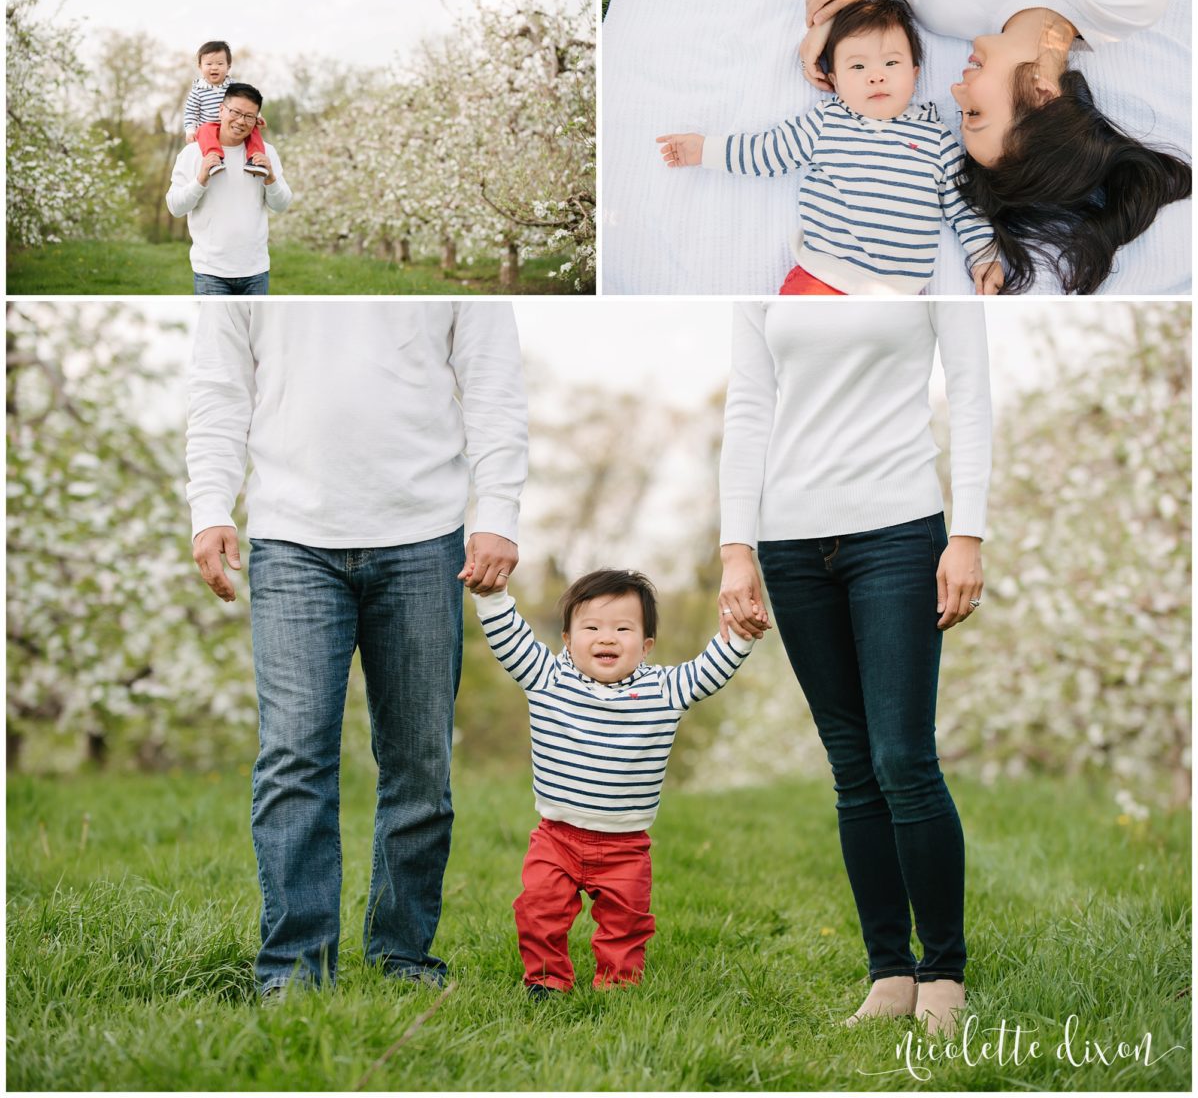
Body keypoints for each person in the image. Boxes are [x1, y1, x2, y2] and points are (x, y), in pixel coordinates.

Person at [187, 301, 529, 996]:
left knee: (419, 762)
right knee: (293, 758)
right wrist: (211, 505)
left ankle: (402, 959)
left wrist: (497, 511)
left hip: (424, 536)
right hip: (291, 537)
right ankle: (295, 972)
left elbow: (494, 384)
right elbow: (220, 385)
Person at [718, 301, 992, 1036]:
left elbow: (970, 391)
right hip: (789, 541)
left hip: (900, 530)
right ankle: (889, 974)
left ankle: (943, 972)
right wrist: (735, 547)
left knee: (902, 756)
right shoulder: (770, 270)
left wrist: (967, 532)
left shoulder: (932, 252)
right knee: (852, 764)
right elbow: (749, 404)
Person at [799, 0, 1191, 294]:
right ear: (1042, 93)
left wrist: (827, 20)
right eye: (976, 111)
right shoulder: (1127, 2)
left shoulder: (944, 8)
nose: (955, 89)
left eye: (961, 112)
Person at [473, 567, 753, 993]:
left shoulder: (664, 690)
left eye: (623, 628)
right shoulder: (548, 678)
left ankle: (618, 984)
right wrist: (493, 598)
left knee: (626, 922)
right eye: (591, 627)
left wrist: (739, 635)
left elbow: (708, 671)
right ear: (567, 640)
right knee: (538, 910)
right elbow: (510, 640)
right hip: (557, 838)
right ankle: (546, 981)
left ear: (645, 646)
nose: (606, 638)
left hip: (625, 845)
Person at [657, 0, 1002, 295]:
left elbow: (963, 206)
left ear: (914, 74)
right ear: (834, 81)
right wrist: (705, 150)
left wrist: (984, 257)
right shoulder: (827, 122)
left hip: (898, 291)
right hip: (824, 275)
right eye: (858, 66)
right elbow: (768, 151)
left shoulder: (936, 139)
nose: (876, 75)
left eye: (891, 63)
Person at [165, 82, 291, 295]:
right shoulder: (193, 154)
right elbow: (175, 207)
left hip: (256, 271)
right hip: (210, 271)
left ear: (257, 120)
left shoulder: (265, 154)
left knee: (257, 329)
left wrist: (271, 178)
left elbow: (281, 205)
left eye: (249, 116)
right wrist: (201, 179)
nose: (241, 121)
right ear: (221, 110)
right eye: (236, 112)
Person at [183, 39, 269, 178]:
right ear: (200, 66)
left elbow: (246, 101)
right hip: (209, 125)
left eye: (220, 63)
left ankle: (255, 159)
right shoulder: (198, 90)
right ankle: (214, 160)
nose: (214, 68)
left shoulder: (233, 85)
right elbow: (191, 113)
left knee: (253, 129)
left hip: (231, 122)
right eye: (209, 64)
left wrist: (257, 116)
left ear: (228, 66)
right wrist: (190, 131)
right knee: (204, 130)